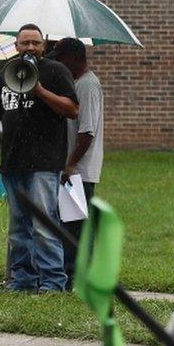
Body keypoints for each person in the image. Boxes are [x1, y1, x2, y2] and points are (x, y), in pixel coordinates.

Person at [0, 23, 79, 292]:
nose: (30, 48)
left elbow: (71, 109)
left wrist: (40, 91)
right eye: (25, 43)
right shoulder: (5, 73)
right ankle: (22, 279)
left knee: (44, 224)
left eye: (35, 43)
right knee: (18, 227)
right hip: (13, 162)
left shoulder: (56, 72)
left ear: (44, 46)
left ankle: (52, 282)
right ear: (16, 46)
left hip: (45, 163)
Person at [49, 37, 105, 287]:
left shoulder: (87, 86)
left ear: (73, 57)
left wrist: (70, 164)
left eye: (60, 59)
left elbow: (87, 132)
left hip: (79, 171)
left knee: (77, 229)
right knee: (70, 225)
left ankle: (78, 278)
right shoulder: (76, 84)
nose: (58, 65)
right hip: (73, 169)